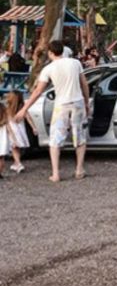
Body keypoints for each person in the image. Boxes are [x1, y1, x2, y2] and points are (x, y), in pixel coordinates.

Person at [17, 40, 91, 182]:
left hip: (61, 104)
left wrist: (25, 108)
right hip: (78, 102)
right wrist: (86, 102)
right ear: (62, 50)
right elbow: (84, 84)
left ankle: (56, 173)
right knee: (80, 137)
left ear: (50, 53)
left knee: (55, 139)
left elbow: (38, 91)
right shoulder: (75, 63)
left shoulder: (48, 69)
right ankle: (79, 169)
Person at [4, 91, 34, 173]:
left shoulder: (7, 109)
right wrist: (34, 128)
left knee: (14, 148)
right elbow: (28, 118)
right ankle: (16, 163)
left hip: (13, 132)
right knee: (17, 148)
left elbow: (7, 124)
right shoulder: (22, 108)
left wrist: (11, 135)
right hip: (21, 131)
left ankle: (18, 163)